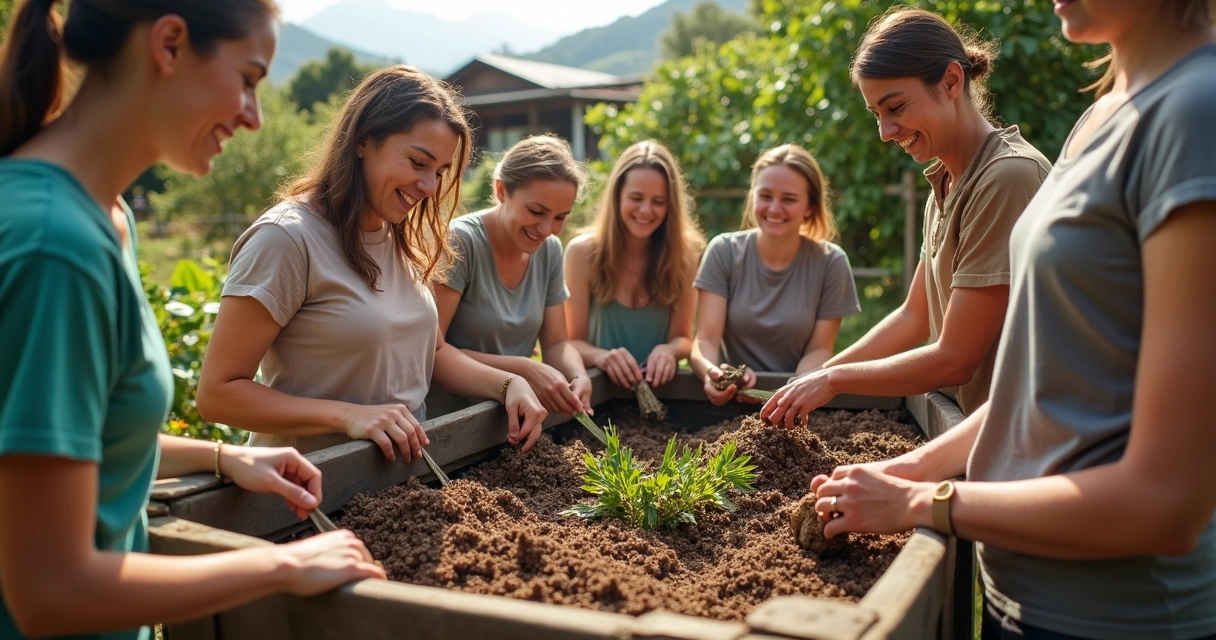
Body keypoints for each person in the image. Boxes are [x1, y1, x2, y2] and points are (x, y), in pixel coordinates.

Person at [808, 2, 1216, 638]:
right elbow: (1036, 388)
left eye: (894, 108)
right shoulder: (1099, 115)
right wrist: (908, 470)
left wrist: (924, 501)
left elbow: (1167, 501)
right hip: (1021, 591)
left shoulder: (1195, 112)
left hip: (1113, 614)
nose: (886, 131)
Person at [0, 2, 384, 639]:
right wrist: (281, 566)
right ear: (170, 44)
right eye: (250, 79)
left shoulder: (103, 217)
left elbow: (67, 445)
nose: (255, 117)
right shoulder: (56, 248)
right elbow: (50, 590)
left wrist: (221, 458)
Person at [197, 66, 548, 458]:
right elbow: (218, 394)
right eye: (418, 163)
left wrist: (507, 384)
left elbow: (430, 353)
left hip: (401, 487)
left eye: (440, 172)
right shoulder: (287, 238)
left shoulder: (401, 234)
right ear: (364, 140)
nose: (430, 187)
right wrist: (348, 417)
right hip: (307, 493)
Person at [762, 8, 1051, 428]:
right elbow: (913, 317)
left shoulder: (1008, 177)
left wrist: (833, 380)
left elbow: (955, 359)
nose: (885, 131)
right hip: (967, 429)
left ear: (952, 81)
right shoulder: (945, 185)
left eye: (895, 107)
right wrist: (810, 380)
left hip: (1020, 445)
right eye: (876, 114)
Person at [690, 144, 861, 405]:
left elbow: (819, 350)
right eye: (765, 195)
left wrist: (789, 396)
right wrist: (713, 373)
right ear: (753, 197)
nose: (774, 208)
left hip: (797, 402)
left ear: (810, 207)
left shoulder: (831, 263)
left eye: (789, 199)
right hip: (733, 400)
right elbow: (705, 340)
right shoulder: (723, 251)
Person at [435, 135, 593, 417]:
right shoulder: (460, 242)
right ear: (501, 190)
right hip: (450, 425)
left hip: (513, 421)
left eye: (560, 217)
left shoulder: (549, 251)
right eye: (536, 211)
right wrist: (523, 367)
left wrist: (579, 375)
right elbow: (432, 353)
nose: (546, 229)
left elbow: (556, 343)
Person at [563, 140, 705, 390]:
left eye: (658, 202)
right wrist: (601, 357)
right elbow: (569, 342)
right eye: (636, 198)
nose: (646, 210)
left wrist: (669, 351)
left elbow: (683, 338)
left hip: (662, 394)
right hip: (598, 395)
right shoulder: (582, 253)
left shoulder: (687, 255)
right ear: (617, 196)